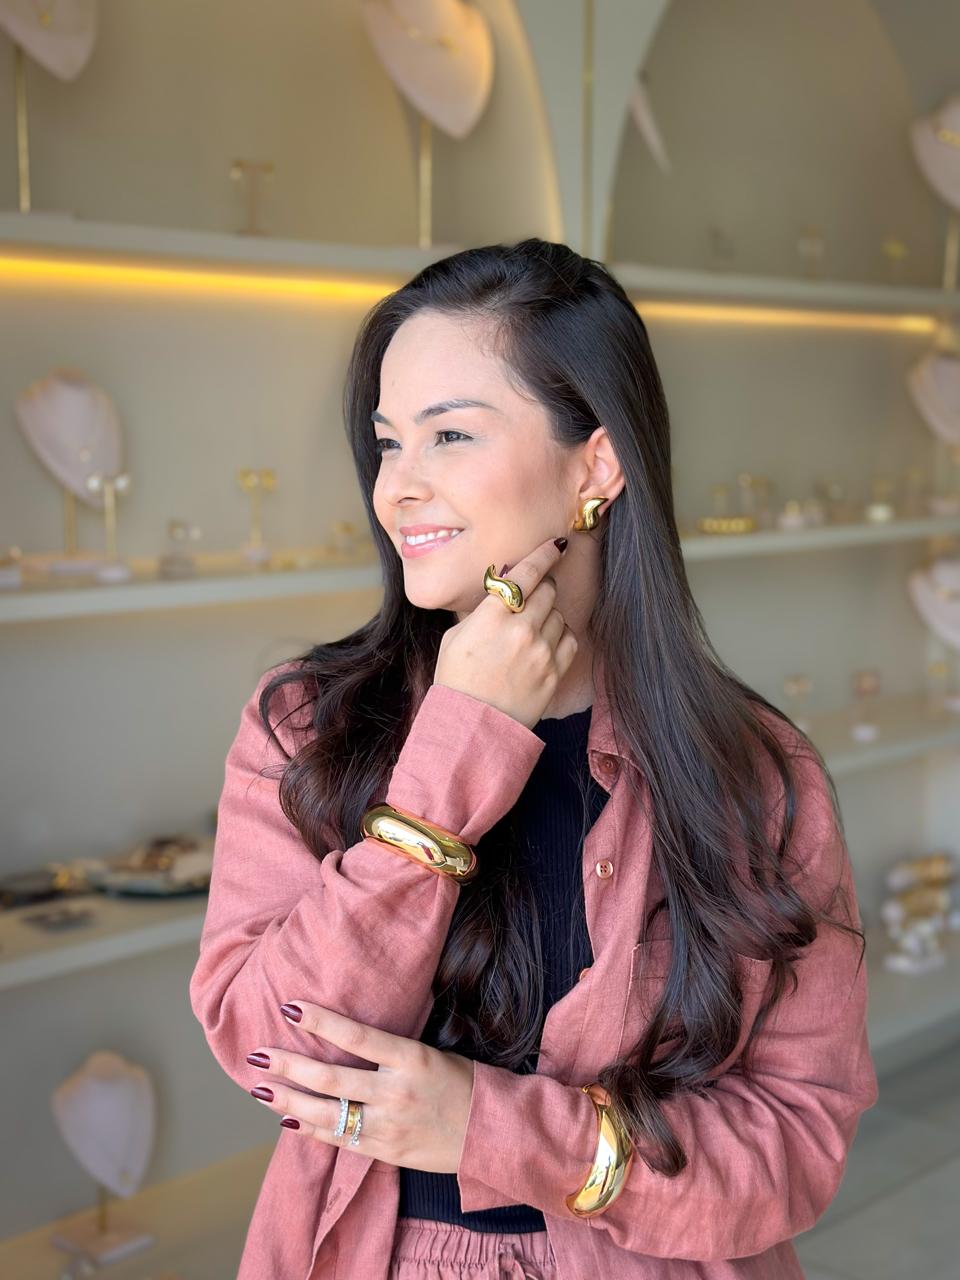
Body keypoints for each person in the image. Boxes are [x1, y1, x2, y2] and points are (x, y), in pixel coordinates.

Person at [189, 238, 878, 1279]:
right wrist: (460, 743)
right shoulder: (308, 725)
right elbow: (268, 1050)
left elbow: (797, 1143)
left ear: (595, 466)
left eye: (450, 435)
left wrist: (491, 1126)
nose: (397, 488)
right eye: (388, 443)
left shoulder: (752, 771)